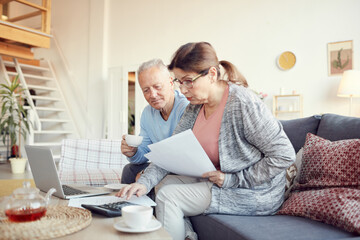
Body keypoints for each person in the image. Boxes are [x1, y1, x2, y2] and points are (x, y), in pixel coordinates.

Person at [117, 42, 296, 240]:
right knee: (162, 184)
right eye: (179, 82)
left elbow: (284, 154)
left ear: (212, 74)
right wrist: (143, 183)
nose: (183, 90)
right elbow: (171, 152)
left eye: (188, 81)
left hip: (253, 192)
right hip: (220, 181)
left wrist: (233, 179)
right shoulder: (195, 106)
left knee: (169, 197)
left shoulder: (243, 104)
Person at [120, 59, 189, 184]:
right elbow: (144, 153)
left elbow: (180, 156)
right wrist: (133, 152)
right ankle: (126, 204)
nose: (153, 94)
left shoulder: (186, 108)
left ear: (170, 83)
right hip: (163, 165)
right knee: (129, 170)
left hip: (185, 168)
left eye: (157, 87)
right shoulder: (147, 113)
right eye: (146, 90)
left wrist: (146, 175)